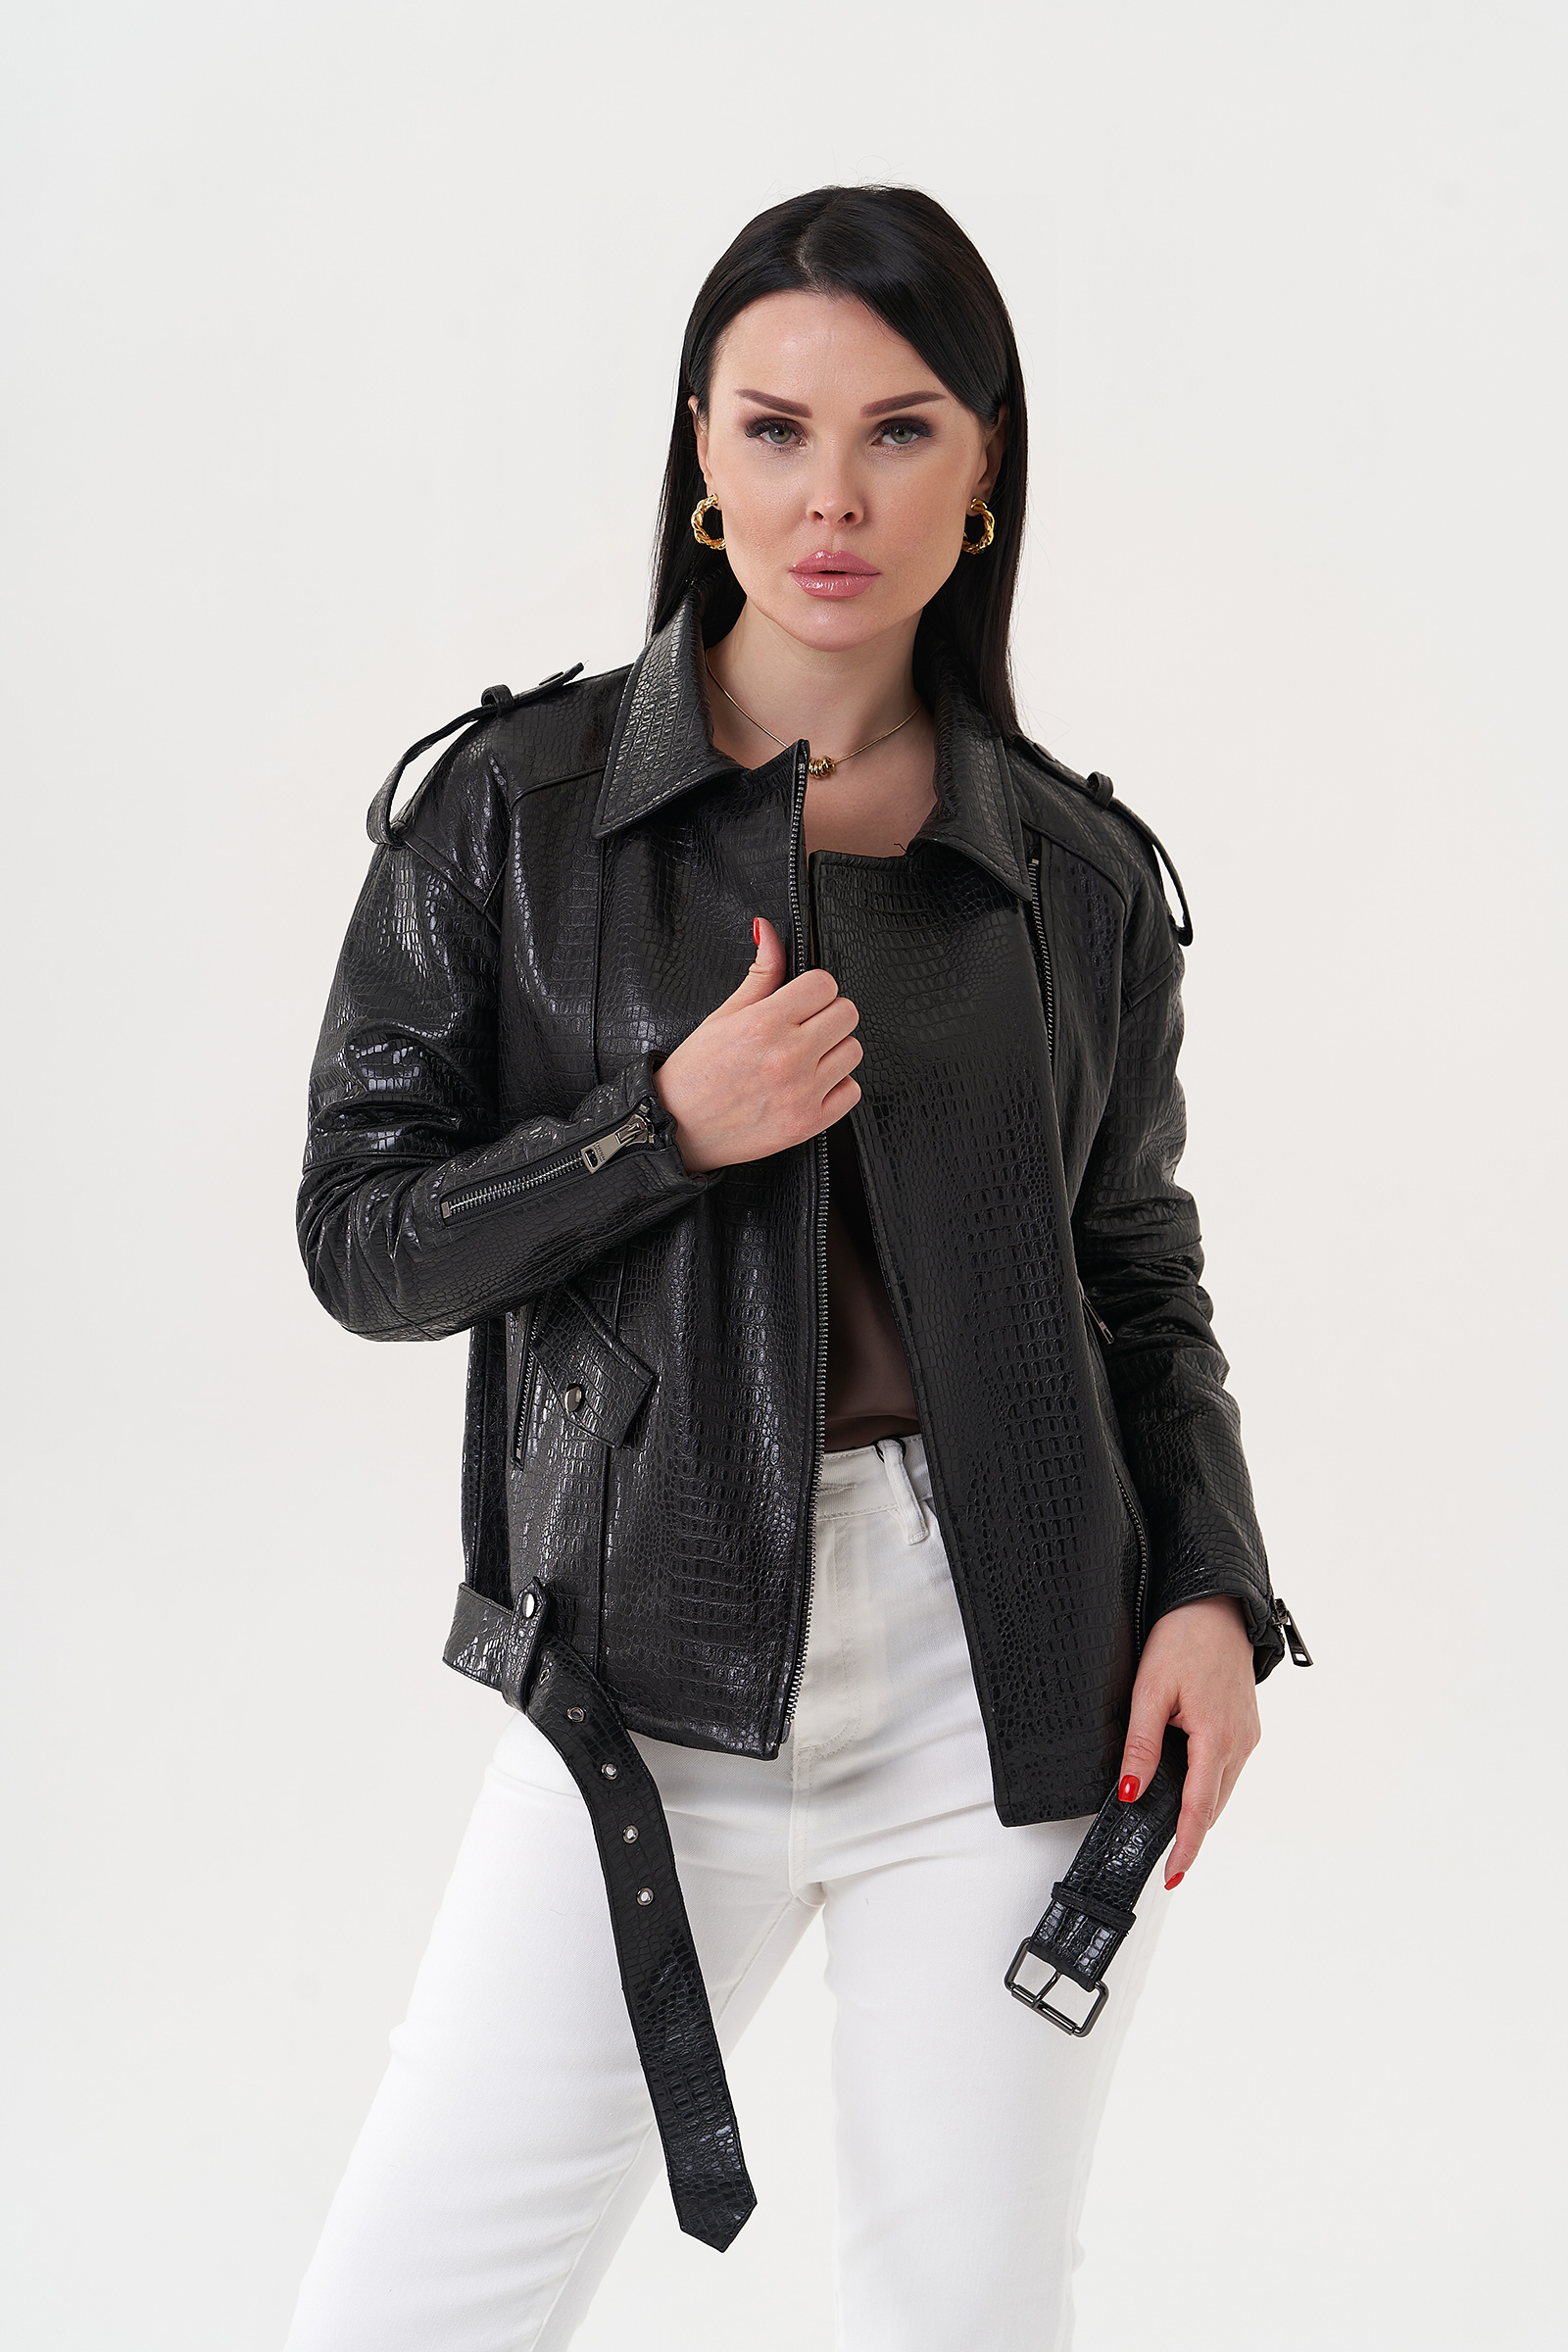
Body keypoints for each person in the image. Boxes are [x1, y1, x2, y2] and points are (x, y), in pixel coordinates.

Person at [286, 182, 1304, 2352]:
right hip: (635, 1664)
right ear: (699, 453)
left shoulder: (1075, 875)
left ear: (985, 469)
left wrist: (1216, 1590)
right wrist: (656, 1128)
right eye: (773, 429)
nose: (830, 498)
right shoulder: (512, 814)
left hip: (1009, 1665)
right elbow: (363, 1241)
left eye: (898, 431)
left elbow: (1138, 1271)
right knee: (406, 2301)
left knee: (965, 2310)